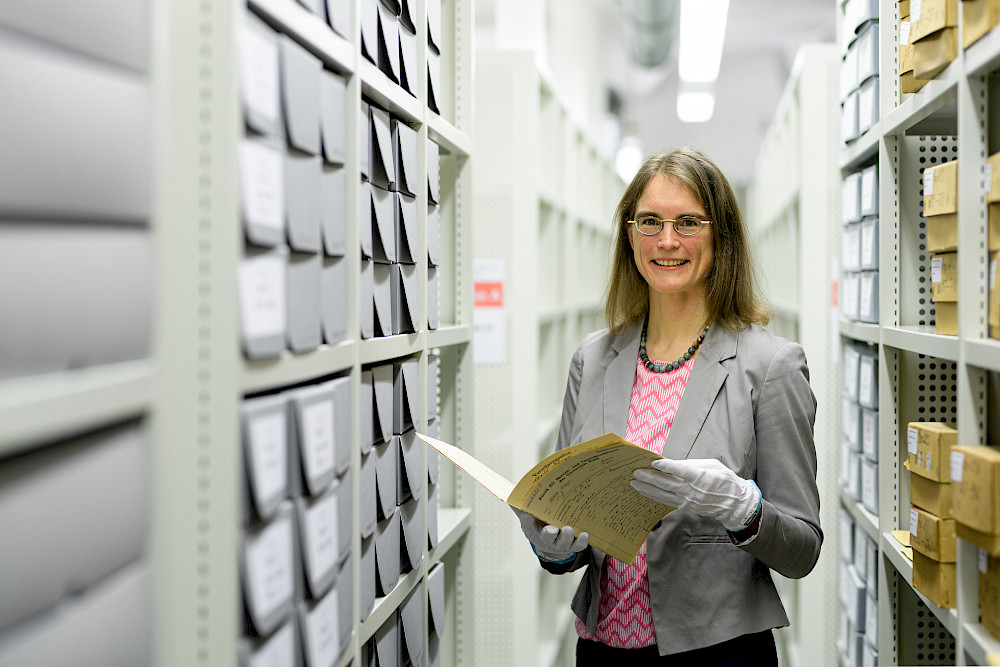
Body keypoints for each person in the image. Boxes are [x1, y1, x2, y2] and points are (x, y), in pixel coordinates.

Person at [514, 147, 822, 665]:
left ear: (720, 236)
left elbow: (802, 550)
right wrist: (555, 547)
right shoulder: (591, 359)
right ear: (629, 235)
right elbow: (572, 520)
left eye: (688, 222)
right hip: (601, 648)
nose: (667, 240)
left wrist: (743, 511)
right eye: (650, 221)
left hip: (718, 652)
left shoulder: (770, 366)